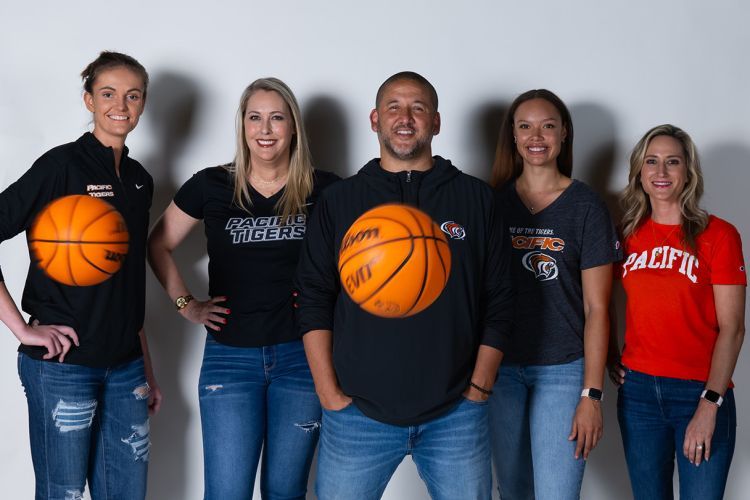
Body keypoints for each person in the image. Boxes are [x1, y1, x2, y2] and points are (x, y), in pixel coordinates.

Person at [294, 71, 514, 500]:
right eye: (394, 107)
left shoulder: (476, 198)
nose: (406, 118)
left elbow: (502, 299)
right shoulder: (341, 200)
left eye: (419, 108)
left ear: (436, 122)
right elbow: (313, 297)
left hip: (456, 415)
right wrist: (328, 392)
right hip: (356, 414)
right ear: (375, 119)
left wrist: (478, 390)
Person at [148, 77, 338, 499]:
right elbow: (158, 243)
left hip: (302, 358)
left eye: (276, 118)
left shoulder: (326, 189)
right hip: (230, 360)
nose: (265, 130)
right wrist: (187, 304)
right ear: (243, 125)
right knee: (227, 493)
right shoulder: (212, 184)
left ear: (293, 127)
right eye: (255, 117)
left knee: (284, 492)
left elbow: (366, 255)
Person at [0, 51, 160, 499]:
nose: (121, 105)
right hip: (64, 368)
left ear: (144, 103)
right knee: (62, 493)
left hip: (126, 367)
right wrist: (21, 329)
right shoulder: (61, 166)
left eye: (133, 95)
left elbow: (128, 282)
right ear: (89, 99)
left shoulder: (140, 179)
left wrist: (145, 365)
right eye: (108, 93)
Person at [488, 89, 621, 500]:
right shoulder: (493, 203)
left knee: (557, 494)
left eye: (548, 125)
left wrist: (591, 394)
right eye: (525, 125)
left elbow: (598, 308)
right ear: (512, 135)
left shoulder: (586, 207)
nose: (537, 136)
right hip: (502, 369)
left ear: (564, 134)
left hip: (563, 370)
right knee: (513, 490)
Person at [609, 124, 746, 500]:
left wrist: (710, 404)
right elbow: (598, 300)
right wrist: (609, 353)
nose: (661, 172)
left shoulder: (719, 235)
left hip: (699, 392)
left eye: (673, 162)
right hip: (637, 394)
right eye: (651, 162)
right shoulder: (626, 234)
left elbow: (733, 329)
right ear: (639, 171)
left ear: (688, 171)